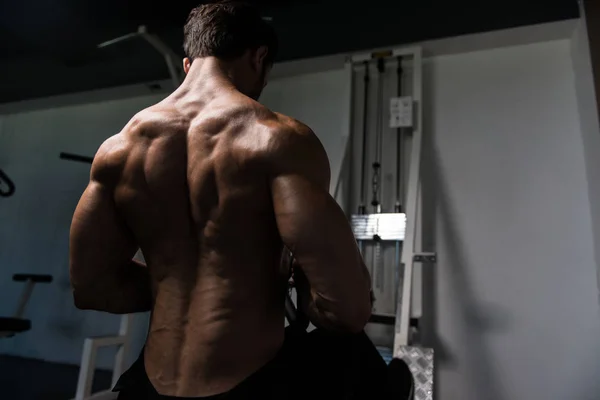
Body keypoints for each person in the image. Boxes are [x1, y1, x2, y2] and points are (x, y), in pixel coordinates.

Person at [69, 1, 411, 399]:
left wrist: (179, 281)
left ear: (187, 64)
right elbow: (347, 310)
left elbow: (91, 286)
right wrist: (259, 285)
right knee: (363, 358)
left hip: (152, 384)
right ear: (259, 57)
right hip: (250, 382)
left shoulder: (118, 150)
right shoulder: (276, 139)